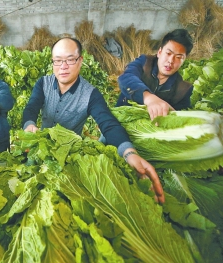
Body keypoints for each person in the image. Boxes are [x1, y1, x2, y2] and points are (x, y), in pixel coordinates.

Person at [22, 37, 164, 203]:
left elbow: (108, 124)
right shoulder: (43, 83)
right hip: (39, 148)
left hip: (67, 157)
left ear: (80, 60)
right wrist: (29, 124)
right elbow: (31, 107)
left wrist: (129, 153)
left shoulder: (91, 94)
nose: (63, 66)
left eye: (70, 60)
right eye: (58, 61)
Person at [116, 28, 194, 120]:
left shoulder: (183, 89)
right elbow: (126, 77)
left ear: (183, 61)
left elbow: (176, 121)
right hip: (120, 121)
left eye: (178, 57)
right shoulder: (144, 62)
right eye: (168, 53)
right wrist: (149, 98)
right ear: (159, 52)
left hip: (146, 131)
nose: (171, 61)